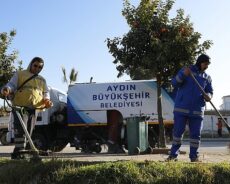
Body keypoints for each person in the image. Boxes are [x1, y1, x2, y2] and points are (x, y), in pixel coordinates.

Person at [1, 57, 53, 159]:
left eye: (40, 67)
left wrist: (47, 100)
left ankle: (27, 151)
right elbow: (11, 85)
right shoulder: (20, 74)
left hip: (34, 108)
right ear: (31, 64)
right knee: (20, 129)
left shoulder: (42, 79)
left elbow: (46, 93)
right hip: (20, 107)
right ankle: (19, 151)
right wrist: (7, 89)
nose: (37, 68)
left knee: (29, 130)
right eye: (35, 65)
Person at [167, 54, 213, 162]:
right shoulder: (187, 70)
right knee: (178, 133)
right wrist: (183, 74)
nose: (207, 66)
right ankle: (173, 156)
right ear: (200, 62)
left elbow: (210, 92)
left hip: (197, 110)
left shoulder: (207, 77)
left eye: (208, 64)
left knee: (195, 135)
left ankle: (194, 157)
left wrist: (209, 96)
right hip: (181, 108)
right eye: (205, 64)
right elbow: (174, 83)